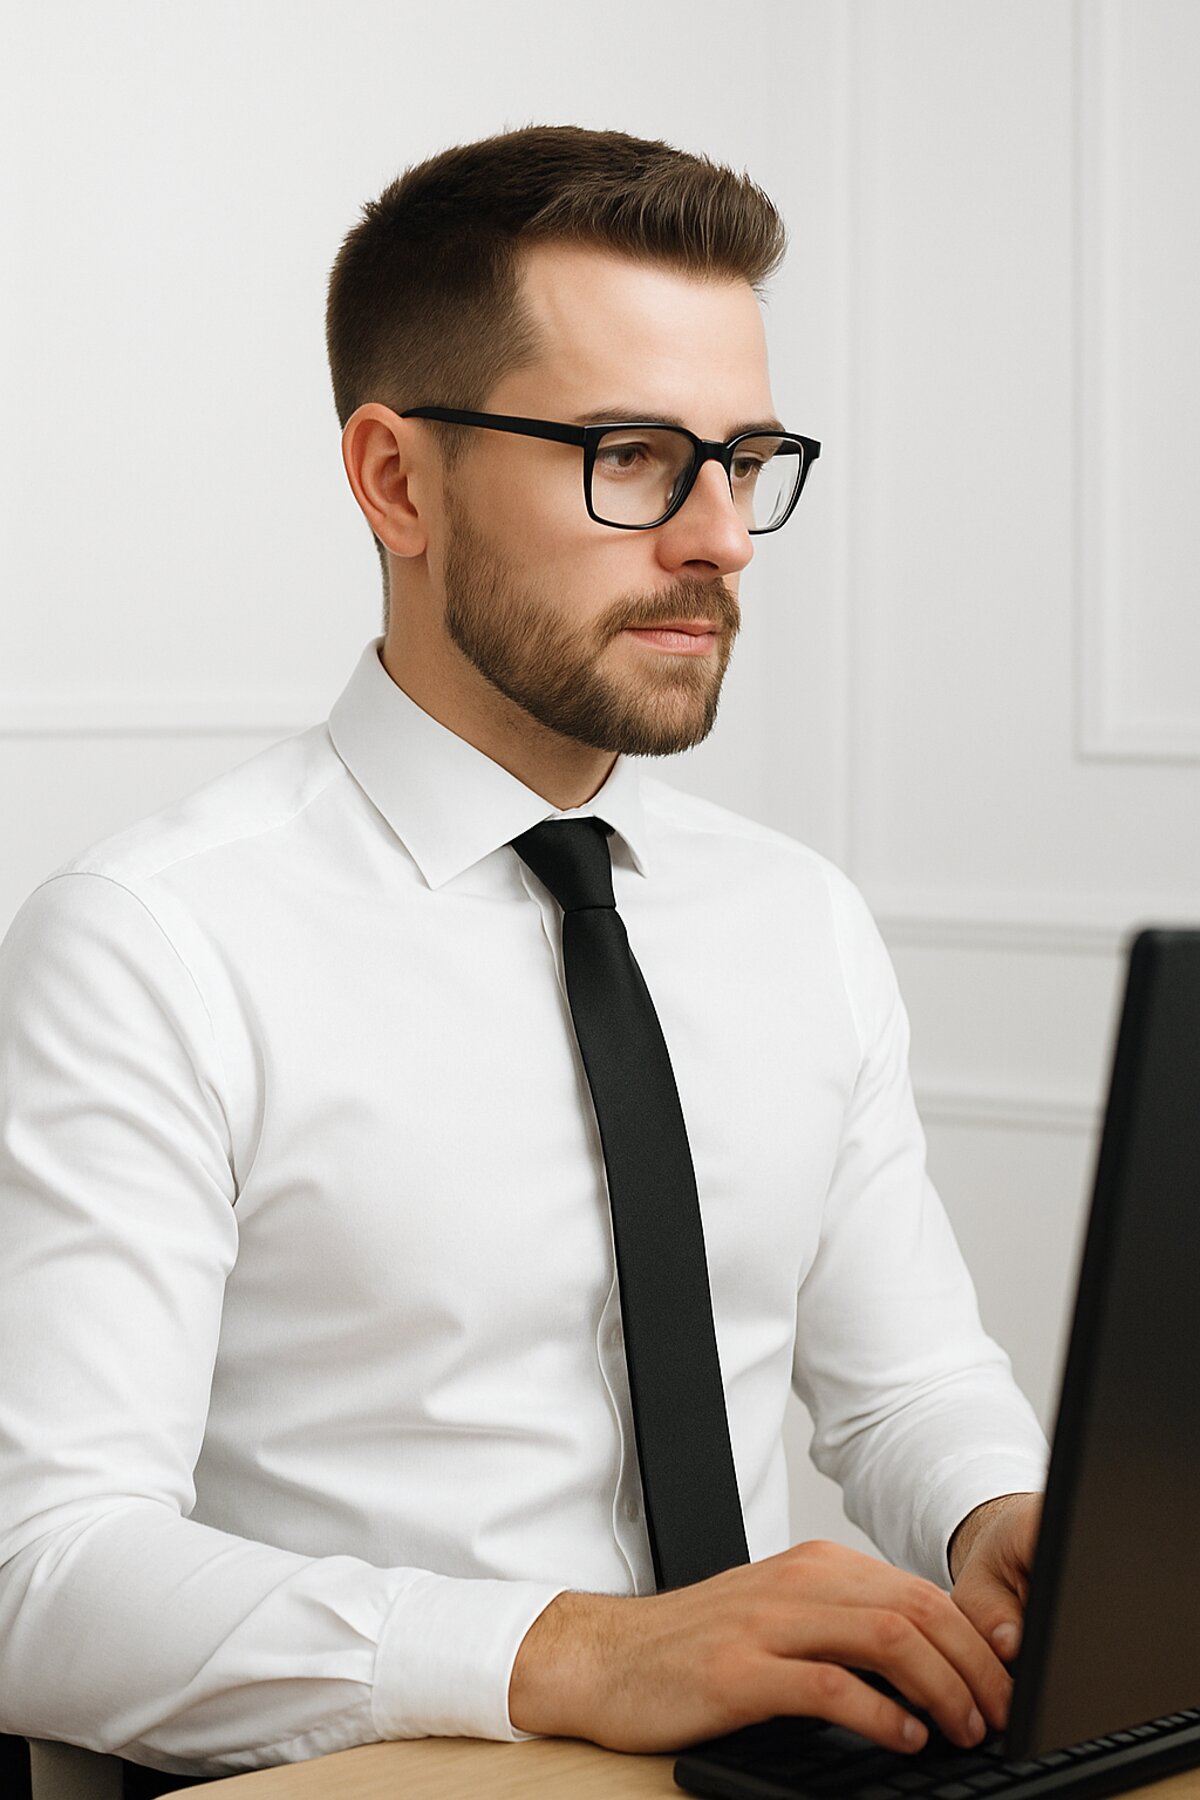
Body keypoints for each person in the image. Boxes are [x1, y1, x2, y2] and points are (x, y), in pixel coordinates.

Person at [0, 125, 1047, 1787]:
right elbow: (40, 1575)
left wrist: (1004, 1518)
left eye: (745, 460)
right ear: (396, 481)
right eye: (632, 456)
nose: (721, 539)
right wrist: (578, 1652)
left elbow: (905, 1387)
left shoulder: (799, 920)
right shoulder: (152, 944)